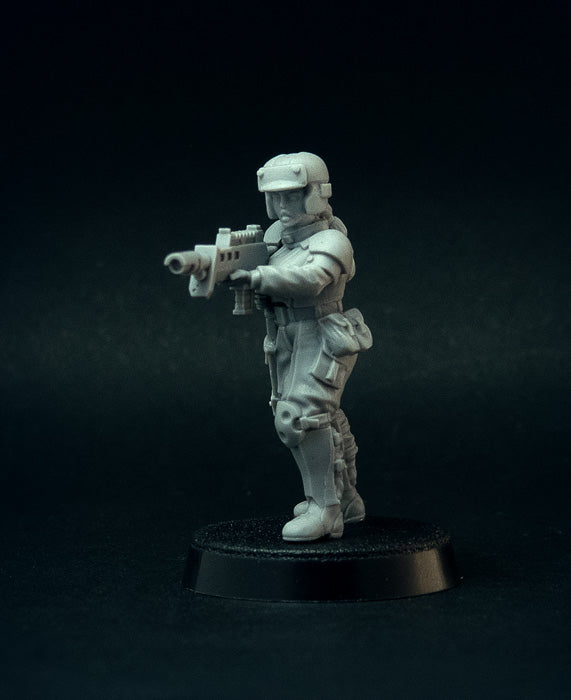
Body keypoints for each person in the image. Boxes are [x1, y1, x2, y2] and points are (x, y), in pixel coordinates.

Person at [230, 152, 372, 541]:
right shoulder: (276, 237)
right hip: (285, 335)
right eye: (275, 197)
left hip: (322, 331)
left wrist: (258, 277)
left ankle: (325, 509)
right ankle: (345, 499)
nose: (282, 207)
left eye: (291, 196)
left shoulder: (332, 241)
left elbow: (311, 280)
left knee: (300, 418)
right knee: (310, 415)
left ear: (315, 195)